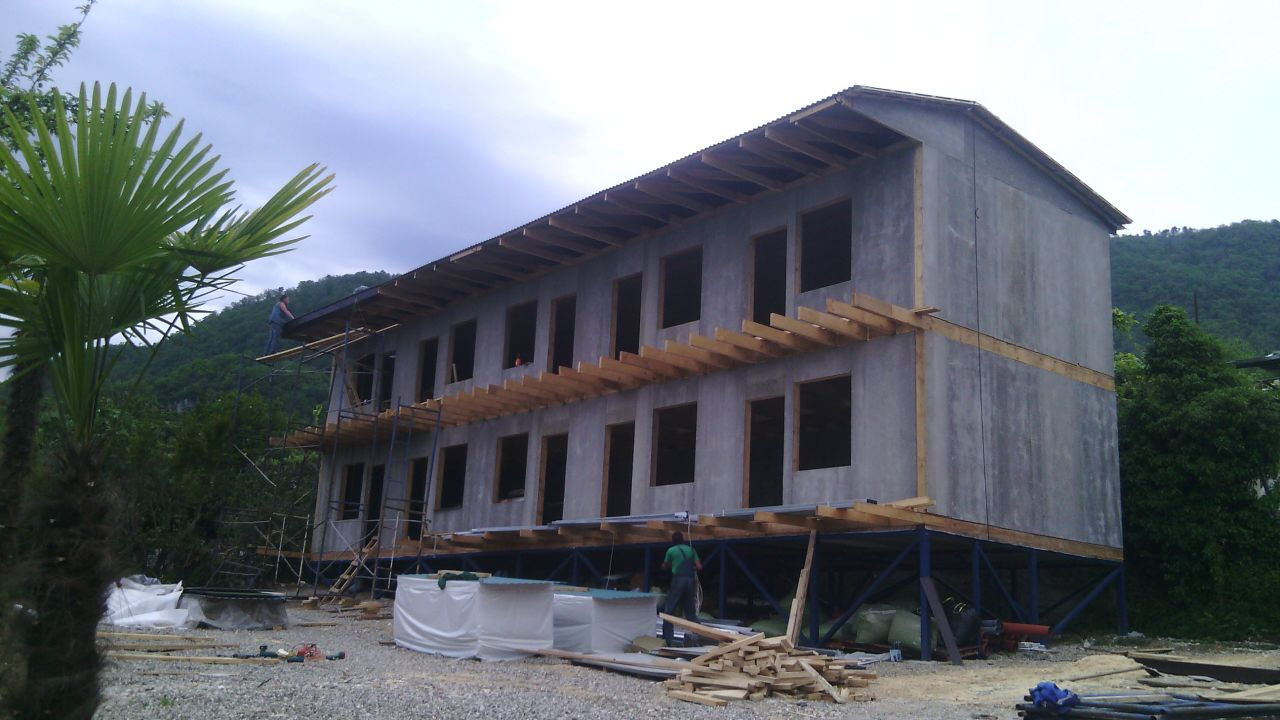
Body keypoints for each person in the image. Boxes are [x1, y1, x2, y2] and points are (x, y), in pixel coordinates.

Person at [661, 531, 702, 646]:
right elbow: (699, 567)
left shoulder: (671, 550)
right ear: (683, 540)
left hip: (678, 581)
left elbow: (665, 566)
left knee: (668, 612)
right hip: (690, 582)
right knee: (691, 614)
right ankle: (701, 637)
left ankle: (667, 641)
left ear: (673, 541)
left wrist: (668, 565)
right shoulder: (691, 550)